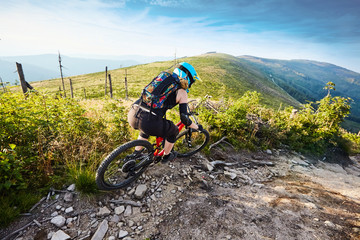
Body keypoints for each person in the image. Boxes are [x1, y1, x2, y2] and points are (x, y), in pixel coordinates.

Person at [127, 62, 202, 163]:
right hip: (148, 121)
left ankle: (135, 154)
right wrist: (198, 127)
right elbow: (184, 119)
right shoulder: (182, 92)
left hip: (134, 112)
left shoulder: (163, 78)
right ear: (188, 79)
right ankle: (166, 156)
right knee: (173, 131)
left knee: (145, 130)